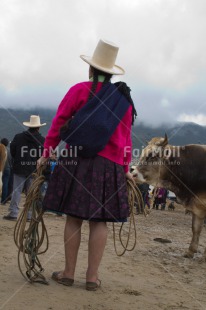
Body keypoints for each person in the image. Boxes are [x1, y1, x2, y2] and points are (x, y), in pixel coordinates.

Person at [37, 39, 136, 290]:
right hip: (110, 165)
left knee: (74, 217)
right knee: (99, 221)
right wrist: (124, 169)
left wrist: (47, 152)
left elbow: (59, 124)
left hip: (77, 160)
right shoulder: (123, 102)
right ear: (111, 73)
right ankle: (92, 278)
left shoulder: (79, 90)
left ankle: (68, 273)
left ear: (90, 69)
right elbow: (126, 139)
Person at [3, 115, 45, 221]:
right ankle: (29, 215)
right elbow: (43, 155)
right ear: (38, 127)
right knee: (30, 193)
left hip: (19, 168)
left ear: (29, 126)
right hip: (33, 170)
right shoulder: (42, 140)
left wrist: (18, 159)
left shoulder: (18, 137)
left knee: (16, 191)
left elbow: (13, 150)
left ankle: (13, 213)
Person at [1, 138, 12, 205]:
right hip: (8, 169)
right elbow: (11, 160)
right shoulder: (9, 150)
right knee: (5, 184)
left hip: (1, 168)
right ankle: (4, 200)